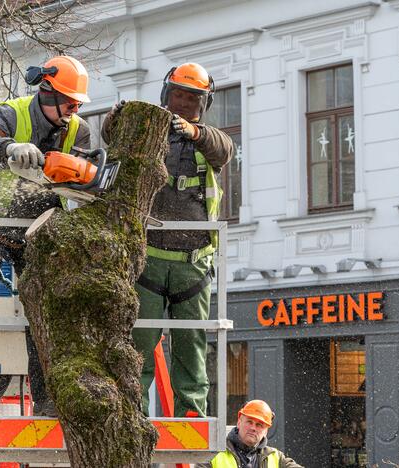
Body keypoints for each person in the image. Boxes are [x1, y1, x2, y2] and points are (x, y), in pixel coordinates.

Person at [0, 55, 91, 417]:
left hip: (38, 224)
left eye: (77, 104)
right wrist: (9, 148)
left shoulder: (78, 130)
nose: (73, 110)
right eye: (69, 102)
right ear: (48, 91)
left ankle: (45, 397)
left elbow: (82, 172)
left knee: (42, 310)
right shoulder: (10, 113)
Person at [102, 62, 235, 417]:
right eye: (178, 96)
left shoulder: (208, 141)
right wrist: (115, 121)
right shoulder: (150, 133)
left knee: (191, 344)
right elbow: (111, 141)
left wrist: (194, 132)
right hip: (149, 259)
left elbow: (224, 149)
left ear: (203, 104)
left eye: (191, 100)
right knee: (140, 343)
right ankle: (133, 410)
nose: (182, 105)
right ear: (165, 95)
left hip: (193, 263)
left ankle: (191, 409)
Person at [199, 400, 304, 468]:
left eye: (259, 425)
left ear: (266, 431)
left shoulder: (276, 457)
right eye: (249, 422)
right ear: (239, 422)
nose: (253, 428)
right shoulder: (213, 454)